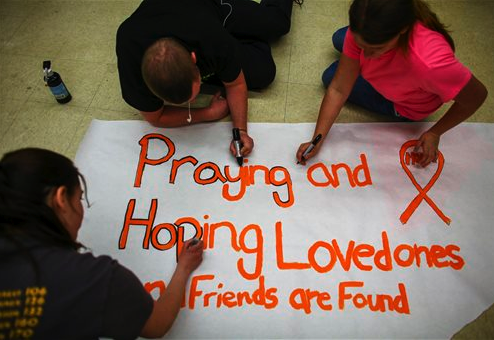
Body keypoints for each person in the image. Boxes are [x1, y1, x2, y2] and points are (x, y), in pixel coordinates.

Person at [0, 148, 203, 339]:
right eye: (79, 198)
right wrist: (184, 267)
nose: (82, 208)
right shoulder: (91, 279)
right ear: (61, 199)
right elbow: (158, 323)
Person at [296, 0, 487, 167]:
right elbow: (339, 89)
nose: (366, 56)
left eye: (377, 48)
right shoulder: (365, 31)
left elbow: (477, 97)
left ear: (402, 29)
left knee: (331, 74)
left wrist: (435, 132)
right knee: (339, 38)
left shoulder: (431, 64)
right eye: (361, 46)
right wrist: (317, 139)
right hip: (391, 76)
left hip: (403, 104)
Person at [117, 0, 302, 159]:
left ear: (193, 58)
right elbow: (156, 117)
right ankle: (238, 46)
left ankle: (237, 44)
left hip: (211, 8)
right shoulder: (130, 54)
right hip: (189, 25)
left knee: (277, 24)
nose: (191, 102)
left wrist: (241, 130)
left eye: (194, 93)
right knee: (262, 69)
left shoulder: (208, 35)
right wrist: (207, 113)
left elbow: (236, 84)